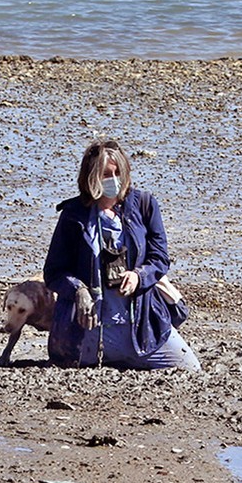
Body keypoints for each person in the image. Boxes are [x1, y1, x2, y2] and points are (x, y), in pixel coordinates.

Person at [43, 140, 200, 370]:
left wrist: (139, 276)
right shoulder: (73, 215)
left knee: (190, 368)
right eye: (106, 174)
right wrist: (78, 290)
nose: (113, 180)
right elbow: (54, 272)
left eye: (118, 173)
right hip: (88, 332)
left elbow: (159, 258)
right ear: (91, 176)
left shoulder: (144, 205)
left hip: (141, 328)